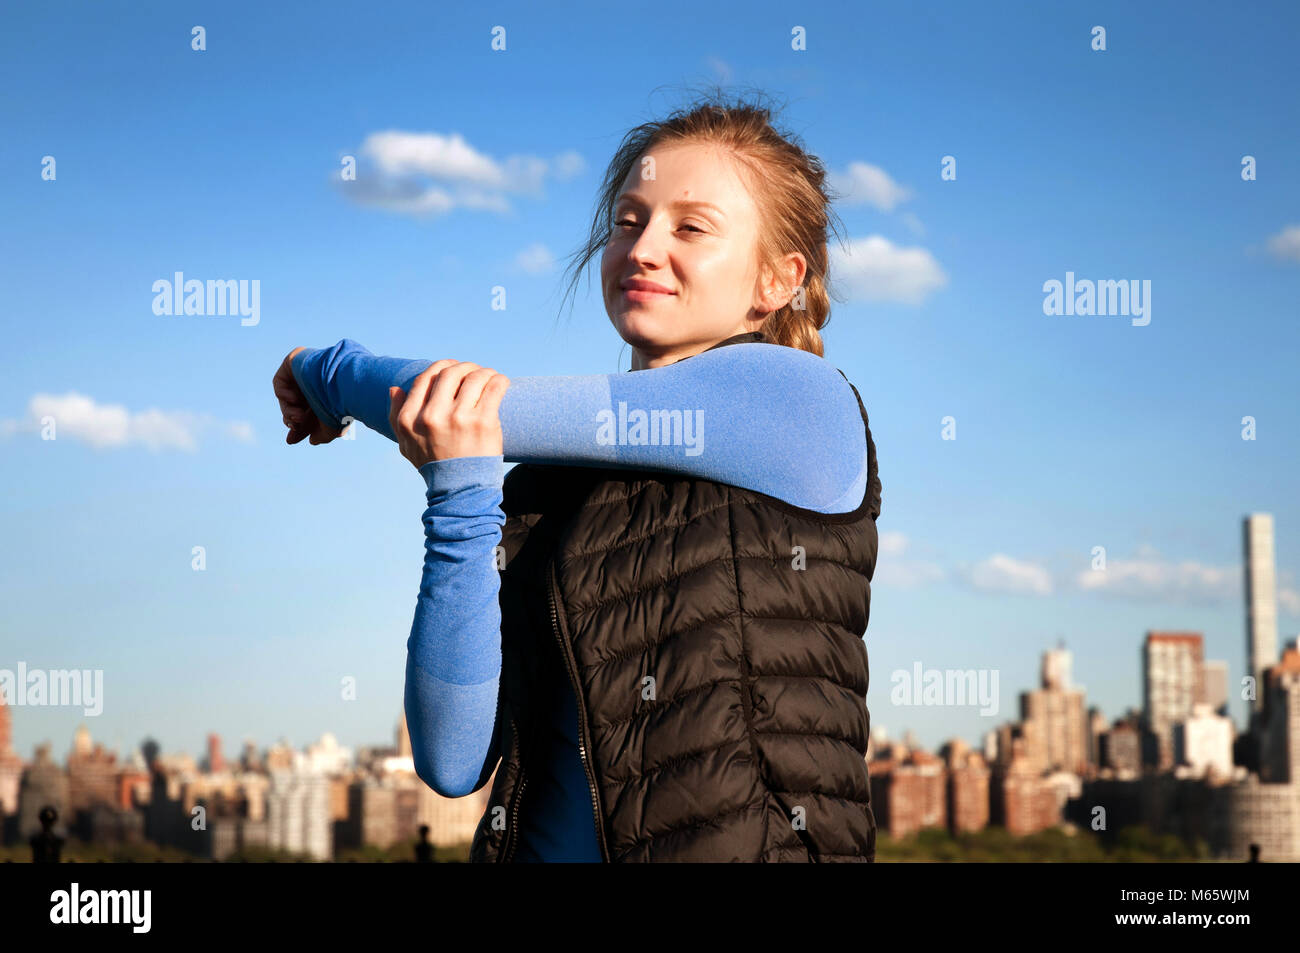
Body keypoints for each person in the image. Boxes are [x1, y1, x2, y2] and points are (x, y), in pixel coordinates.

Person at [272, 92, 882, 862]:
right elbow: (452, 760)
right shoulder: (545, 485)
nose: (644, 246)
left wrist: (322, 371)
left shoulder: (800, 402)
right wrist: (461, 499)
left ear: (775, 280)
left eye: (690, 227)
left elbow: (481, 406)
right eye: (628, 221)